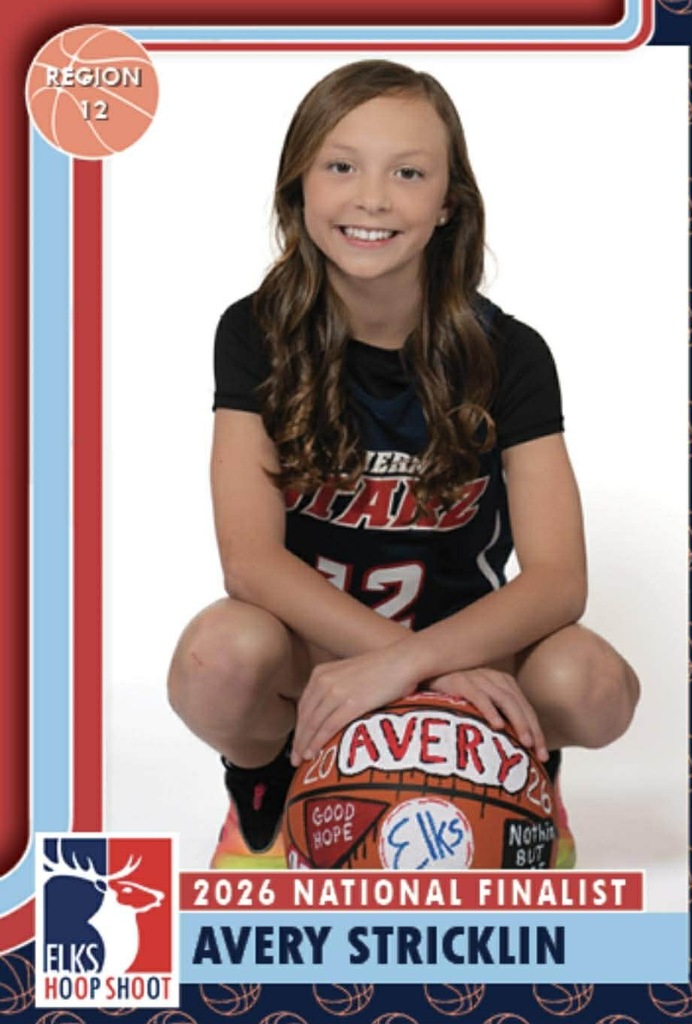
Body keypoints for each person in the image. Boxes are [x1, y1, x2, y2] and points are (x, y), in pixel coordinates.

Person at [167, 59, 640, 868]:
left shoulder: (512, 354)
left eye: (409, 172)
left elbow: (560, 580)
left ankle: (516, 767)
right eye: (342, 166)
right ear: (299, 187)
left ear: (448, 203)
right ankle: (263, 785)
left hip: (466, 648)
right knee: (218, 657)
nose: (373, 199)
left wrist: (420, 668)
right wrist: (378, 665)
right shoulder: (253, 333)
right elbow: (249, 563)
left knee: (595, 685)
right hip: (321, 650)